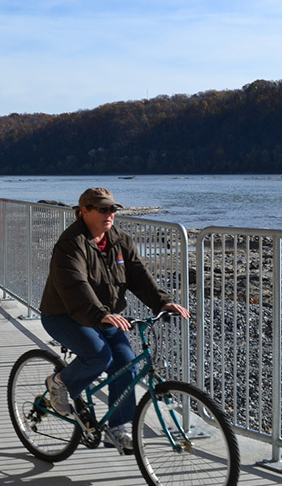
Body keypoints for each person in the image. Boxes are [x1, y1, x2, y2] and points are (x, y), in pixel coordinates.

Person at [39, 187, 190, 452]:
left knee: (127, 364)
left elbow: (139, 276)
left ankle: (116, 428)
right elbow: (77, 286)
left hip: (104, 316)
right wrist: (101, 315)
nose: (110, 214)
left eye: (113, 209)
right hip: (64, 314)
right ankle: (59, 382)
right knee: (99, 356)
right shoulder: (70, 244)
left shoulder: (120, 240)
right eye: (103, 209)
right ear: (83, 211)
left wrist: (162, 301)